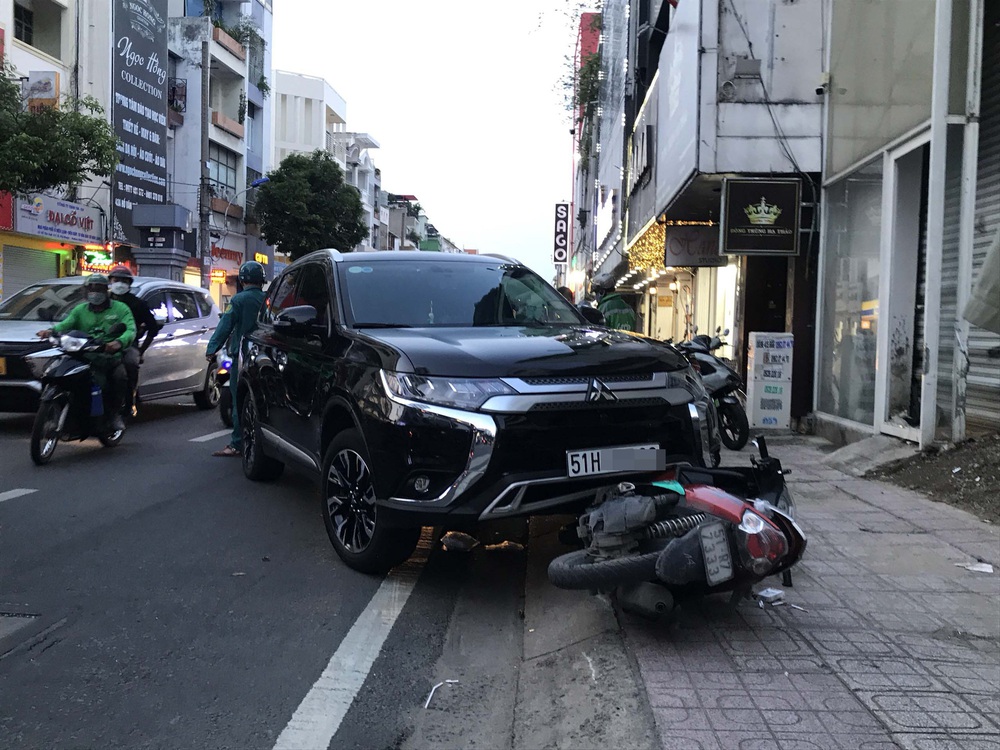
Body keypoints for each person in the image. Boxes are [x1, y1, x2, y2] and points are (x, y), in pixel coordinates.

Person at [37, 274, 136, 432]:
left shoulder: (121, 309)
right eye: (91, 288)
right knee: (54, 372)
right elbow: (66, 324)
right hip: (82, 355)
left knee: (119, 378)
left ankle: (113, 415)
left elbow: (130, 329)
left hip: (108, 356)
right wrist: (50, 332)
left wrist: (118, 342)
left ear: (106, 290)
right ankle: (55, 412)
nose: (94, 292)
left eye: (98, 288)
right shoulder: (80, 310)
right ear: (85, 291)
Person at [205, 260, 267, 457]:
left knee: (238, 399)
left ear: (242, 279)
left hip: (242, 356)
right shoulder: (267, 300)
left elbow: (226, 325)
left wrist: (212, 347)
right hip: (264, 356)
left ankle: (237, 443)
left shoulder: (239, 301)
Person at [108, 264, 162, 415]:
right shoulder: (102, 302)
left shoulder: (137, 304)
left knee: (130, 363)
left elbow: (153, 328)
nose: (119, 283)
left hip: (127, 344)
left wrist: (141, 351)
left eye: (123, 280)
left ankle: (130, 400)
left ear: (129, 284)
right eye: (116, 279)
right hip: (99, 343)